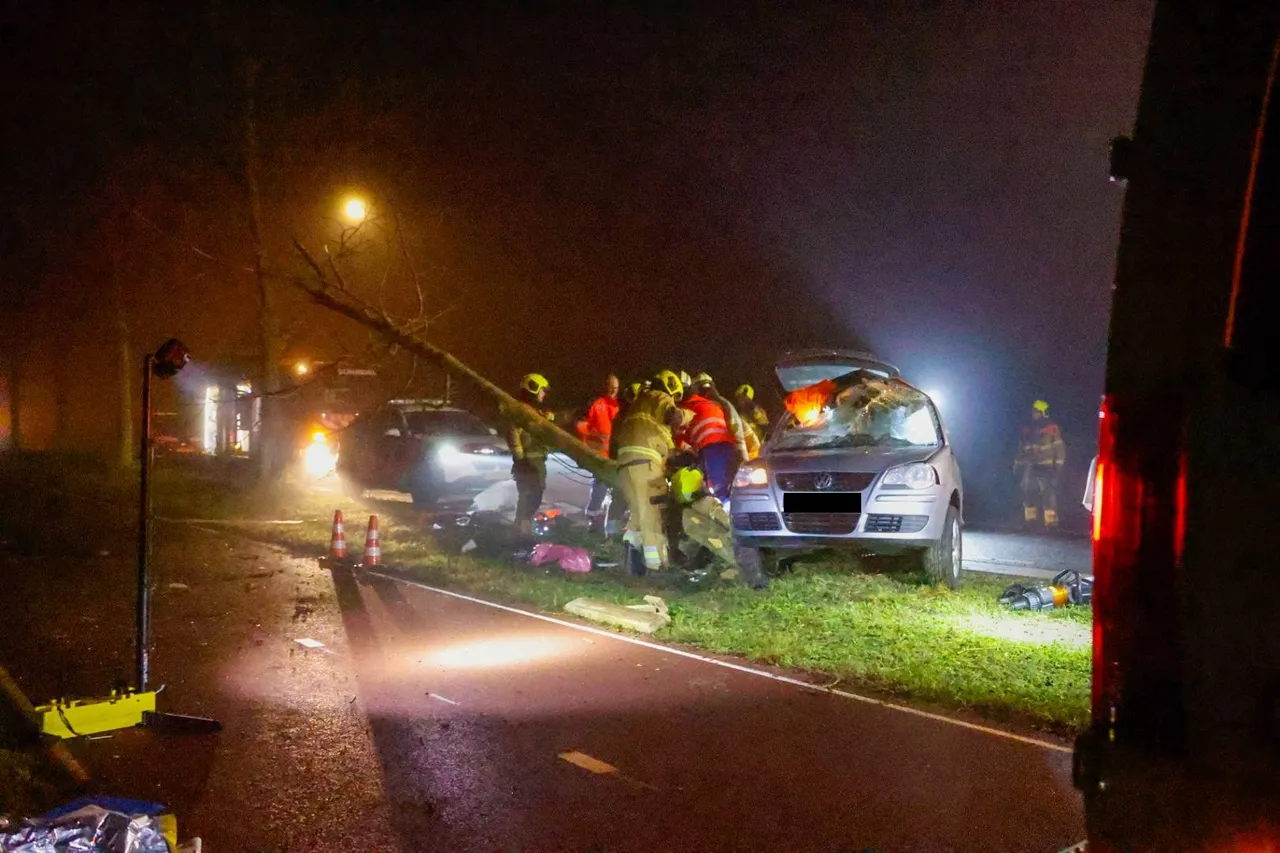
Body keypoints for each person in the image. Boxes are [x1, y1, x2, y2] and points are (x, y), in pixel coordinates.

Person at [612, 370, 687, 574]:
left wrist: (676, 451)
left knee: (639, 513)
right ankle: (658, 567)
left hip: (624, 466)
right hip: (645, 465)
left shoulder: (637, 407)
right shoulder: (658, 396)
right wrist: (685, 416)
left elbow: (667, 445)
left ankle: (632, 556)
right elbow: (673, 415)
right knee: (653, 515)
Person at [677, 376, 739, 501]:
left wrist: (681, 449)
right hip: (729, 444)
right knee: (732, 482)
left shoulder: (686, 409)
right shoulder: (710, 403)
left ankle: (724, 508)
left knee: (717, 486)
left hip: (711, 446)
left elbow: (679, 436)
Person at [508, 373, 554, 536]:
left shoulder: (536, 412)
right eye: (542, 391)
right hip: (528, 461)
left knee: (534, 496)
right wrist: (520, 460)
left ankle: (524, 530)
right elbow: (513, 435)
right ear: (534, 389)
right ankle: (521, 532)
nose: (544, 394)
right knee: (527, 497)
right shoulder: (521, 411)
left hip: (538, 460)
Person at [1014, 398, 1067, 528]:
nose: (1034, 414)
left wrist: (1058, 468)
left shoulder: (1052, 428)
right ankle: (1030, 520)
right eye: (1033, 411)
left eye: (1037, 411)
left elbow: (1059, 449)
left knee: (1047, 494)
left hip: (1046, 467)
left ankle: (1051, 522)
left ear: (1044, 413)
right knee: (1028, 492)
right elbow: (1022, 447)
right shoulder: (1028, 428)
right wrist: (1017, 462)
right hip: (1030, 465)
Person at [581, 374, 620, 531]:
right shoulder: (595, 403)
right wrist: (593, 438)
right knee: (601, 486)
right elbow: (581, 424)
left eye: (616, 388)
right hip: (599, 454)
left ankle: (608, 522)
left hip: (615, 455)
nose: (613, 391)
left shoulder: (619, 405)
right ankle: (594, 518)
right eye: (611, 387)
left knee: (616, 489)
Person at [691, 372, 749, 466]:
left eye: (708, 388)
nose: (706, 392)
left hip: (729, 453)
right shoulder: (698, 407)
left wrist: (741, 456)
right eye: (703, 388)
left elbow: (737, 431)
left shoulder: (722, 404)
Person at [735, 383, 770, 450]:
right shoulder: (741, 414)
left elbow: (765, 425)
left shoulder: (756, 410)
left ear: (747, 397)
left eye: (741, 397)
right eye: (738, 398)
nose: (739, 401)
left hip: (762, 446)